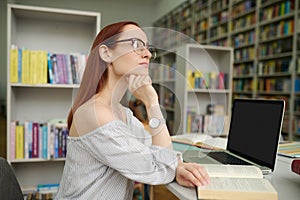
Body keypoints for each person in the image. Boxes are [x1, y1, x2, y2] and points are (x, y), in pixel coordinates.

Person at [55, 21, 210, 200]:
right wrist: (152, 102)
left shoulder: (122, 113)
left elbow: (156, 153)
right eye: (136, 44)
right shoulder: (94, 114)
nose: (148, 54)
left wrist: (177, 166)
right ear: (106, 53)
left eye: (148, 47)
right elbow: (159, 167)